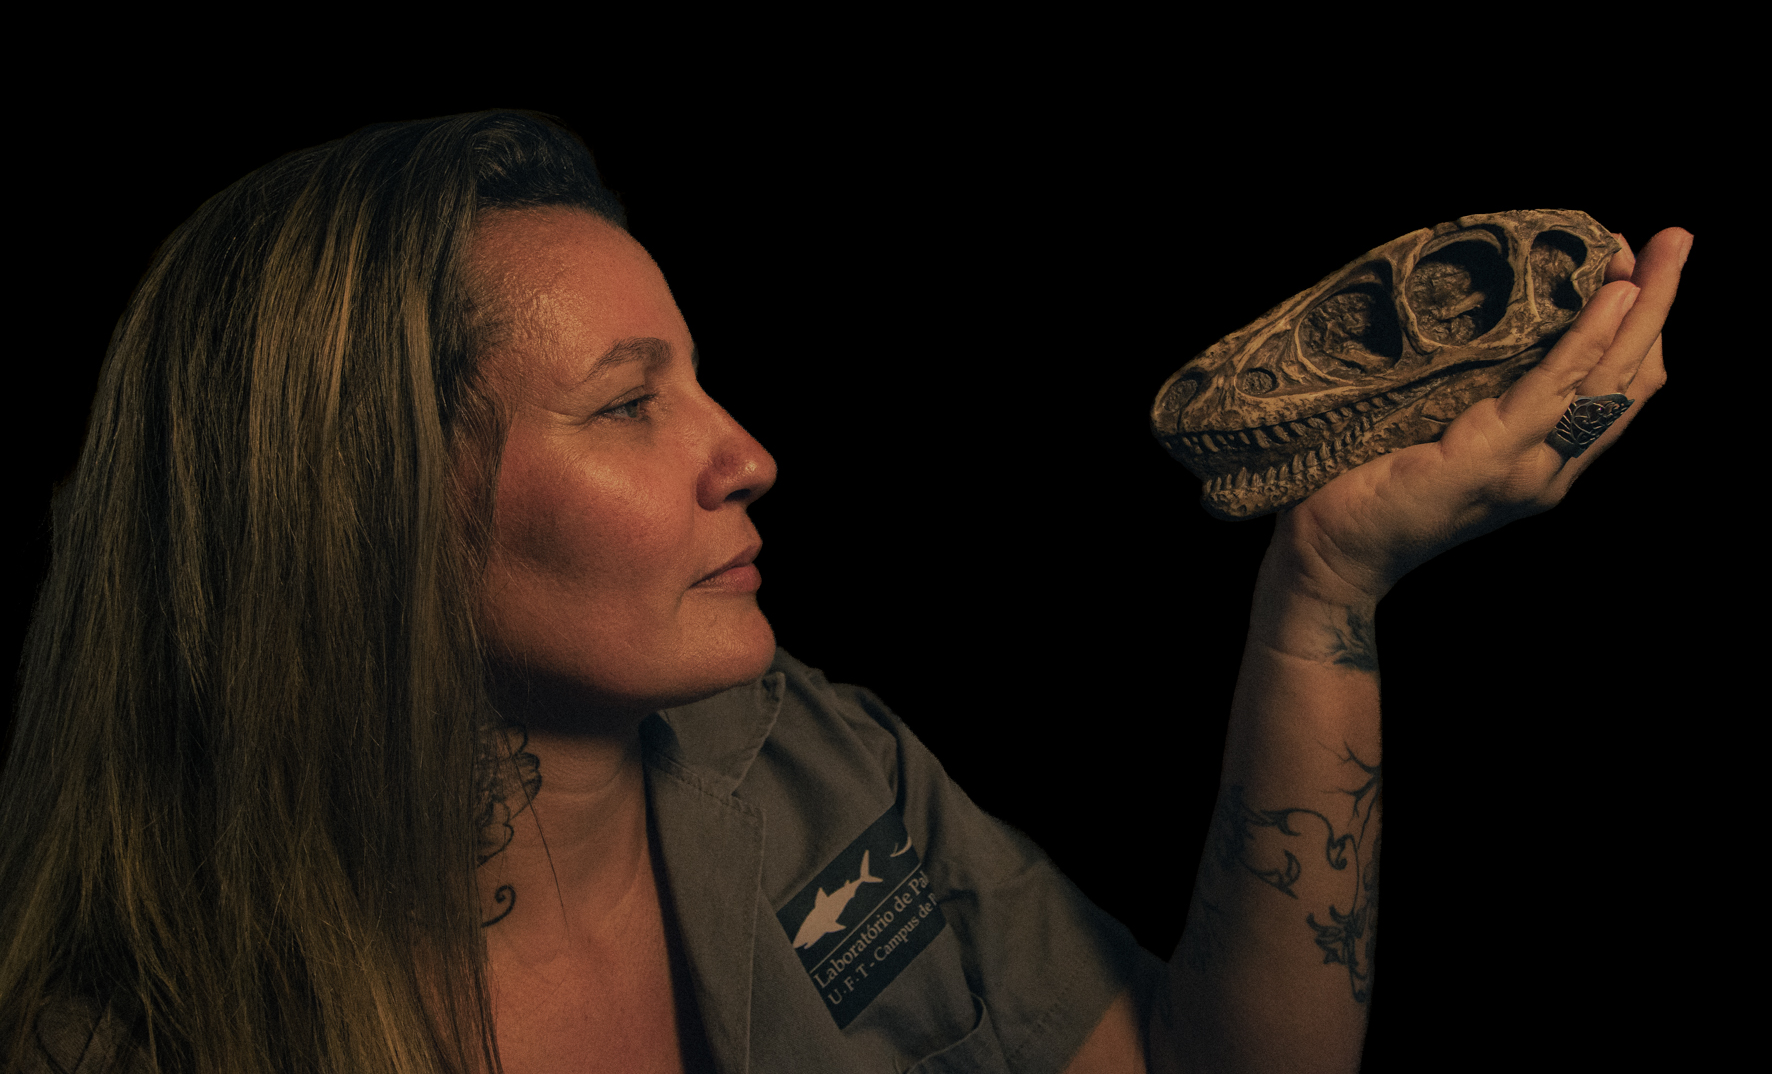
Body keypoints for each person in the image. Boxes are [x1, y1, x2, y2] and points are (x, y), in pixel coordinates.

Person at [0, 111, 1687, 1074]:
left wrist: (1326, 584)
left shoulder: (813, 759)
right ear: (361, 503)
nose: (748, 453)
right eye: (628, 403)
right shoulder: (132, 1035)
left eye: (699, 379)